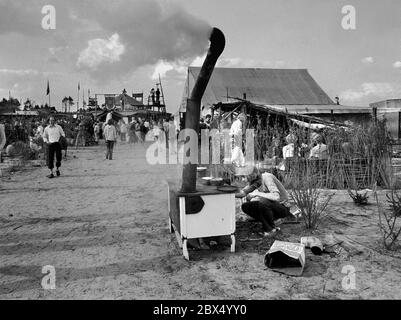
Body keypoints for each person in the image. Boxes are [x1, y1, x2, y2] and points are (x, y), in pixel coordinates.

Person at [237, 168, 295, 236]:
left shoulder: (267, 177)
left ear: (254, 174)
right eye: (244, 176)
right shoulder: (255, 182)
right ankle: (272, 220)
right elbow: (242, 193)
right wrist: (226, 192)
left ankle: (271, 229)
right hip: (273, 206)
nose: (245, 179)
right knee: (246, 206)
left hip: (283, 207)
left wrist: (257, 194)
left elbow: (276, 197)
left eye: (246, 176)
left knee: (263, 201)